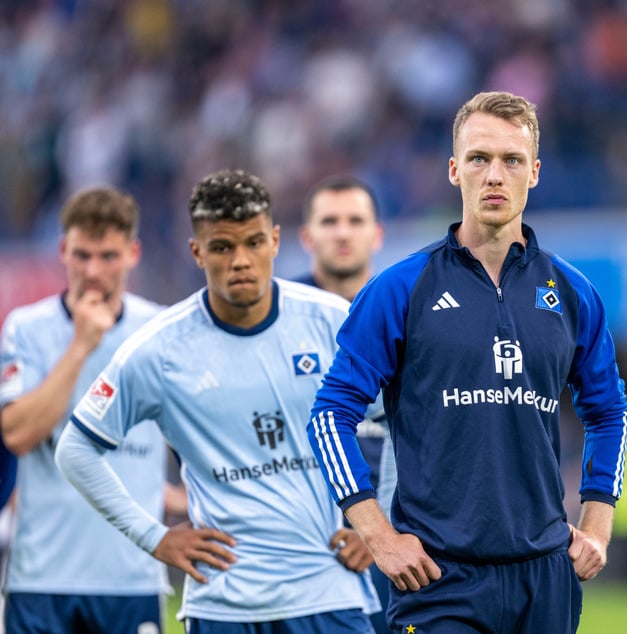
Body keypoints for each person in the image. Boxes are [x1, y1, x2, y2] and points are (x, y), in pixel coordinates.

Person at [307, 90, 627, 633]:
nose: (495, 175)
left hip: (544, 577)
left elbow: (609, 411)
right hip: (437, 580)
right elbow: (329, 415)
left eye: (512, 160)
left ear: (535, 173)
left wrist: (596, 525)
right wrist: (378, 536)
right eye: (479, 159)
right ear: (455, 170)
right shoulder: (400, 289)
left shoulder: (574, 293)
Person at [55, 169, 380, 632]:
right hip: (223, 605)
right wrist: (155, 538)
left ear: (275, 240)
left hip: (328, 591)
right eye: (222, 247)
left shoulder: (334, 321)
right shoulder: (159, 349)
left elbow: (410, 422)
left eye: (253, 242)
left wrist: (379, 523)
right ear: (197, 251)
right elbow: (75, 450)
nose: (240, 261)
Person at [0, 187, 169, 633]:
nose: (93, 271)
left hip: (131, 575)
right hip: (42, 578)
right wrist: (81, 345)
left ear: (133, 253)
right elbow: (17, 434)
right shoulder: (27, 328)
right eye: (82, 255)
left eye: (108, 256)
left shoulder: (159, 329)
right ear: (62, 251)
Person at [295, 173, 392, 634]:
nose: (342, 232)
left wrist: (377, 527)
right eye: (329, 221)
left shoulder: (410, 312)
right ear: (306, 235)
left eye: (355, 220)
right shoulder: (276, 317)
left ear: (376, 234)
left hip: (395, 536)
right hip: (297, 543)